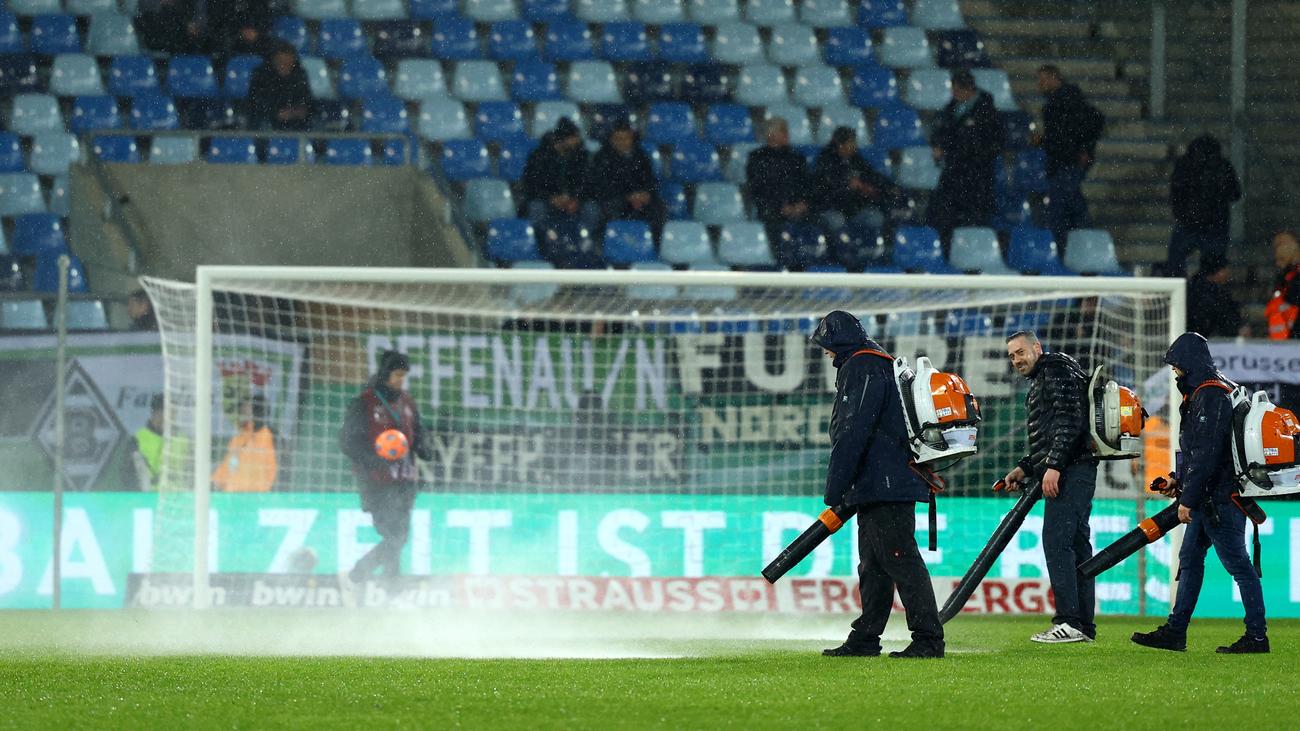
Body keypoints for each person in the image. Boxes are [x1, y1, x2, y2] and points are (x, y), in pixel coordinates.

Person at [811, 311, 944, 659]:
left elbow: (853, 429)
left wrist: (836, 487)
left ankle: (928, 640)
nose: (825, 352)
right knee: (874, 564)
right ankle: (866, 637)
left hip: (884, 482)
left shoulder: (861, 365)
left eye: (826, 344)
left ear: (837, 340)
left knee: (901, 559)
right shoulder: (878, 362)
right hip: (883, 481)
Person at [1132, 333, 1268, 654]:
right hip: (1212, 496)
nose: (1174, 371)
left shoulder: (1209, 394)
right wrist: (1176, 480)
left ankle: (1257, 637)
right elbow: (1200, 453)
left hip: (1219, 498)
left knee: (1237, 564)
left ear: (1189, 362)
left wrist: (1188, 499)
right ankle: (1176, 632)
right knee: (1191, 560)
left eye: (1176, 364)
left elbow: (1206, 455)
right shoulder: (1212, 390)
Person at [1001, 330, 1097, 643]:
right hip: (1075, 467)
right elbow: (1053, 432)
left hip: (1070, 470)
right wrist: (1025, 467)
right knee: (1077, 547)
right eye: (1012, 356)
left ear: (1037, 348)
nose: (1016, 360)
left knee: (1057, 543)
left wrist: (1054, 465)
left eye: (1020, 352)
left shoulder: (1054, 370)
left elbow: (1070, 421)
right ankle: (1082, 626)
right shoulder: (1052, 373)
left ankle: (1068, 621)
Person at [338, 351, 433, 598]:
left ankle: (388, 591)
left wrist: (424, 447)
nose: (401, 380)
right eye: (397, 375)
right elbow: (347, 442)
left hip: (404, 481)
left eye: (404, 376)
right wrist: (375, 459)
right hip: (376, 483)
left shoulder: (407, 402)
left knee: (398, 538)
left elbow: (418, 432)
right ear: (385, 373)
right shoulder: (365, 403)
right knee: (395, 537)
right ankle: (359, 575)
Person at [926, 69, 1004, 248]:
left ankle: (973, 255)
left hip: (977, 177)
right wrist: (938, 145)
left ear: (968, 89)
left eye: (957, 90)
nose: (954, 94)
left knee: (975, 219)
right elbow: (939, 131)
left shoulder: (987, 111)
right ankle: (947, 252)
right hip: (953, 172)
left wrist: (971, 152)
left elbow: (995, 143)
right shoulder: (951, 108)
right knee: (943, 216)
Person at [1036, 64, 1103, 247]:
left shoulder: (1067, 100)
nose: (1040, 84)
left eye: (1043, 79)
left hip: (1066, 162)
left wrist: (1084, 149)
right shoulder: (1062, 100)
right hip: (1063, 162)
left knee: (1063, 209)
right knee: (1070, 206)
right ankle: (1083, 246)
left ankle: (1078, 246)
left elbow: (1080, 128)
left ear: (1053, 77)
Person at [1164, 135, 1241, 278]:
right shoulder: (1222, 166)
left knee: (1175, 265)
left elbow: (1175, 192)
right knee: (1213, 270)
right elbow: (1235, 194)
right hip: (1215, 225)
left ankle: (1182, 288)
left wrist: (1182, 213)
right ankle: (1204, 287)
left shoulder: (1185, 164)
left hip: (1189, 224)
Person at [584, 120, 665, 241]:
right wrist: (627, 197)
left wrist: (645, 194)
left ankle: (651, 245)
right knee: (610, 210)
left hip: (638, 200)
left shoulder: (641, 156)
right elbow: (600, 187)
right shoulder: (601, 158)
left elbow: (649, 181)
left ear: (631, 138)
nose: (622, 142)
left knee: (657, 208)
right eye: (618, 139)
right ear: (611, 139)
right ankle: (616, 244)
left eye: (626, 138)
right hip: (614, 199)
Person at [811, 127, 898, 237]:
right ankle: (833, 247)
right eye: (851, 142)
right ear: (840, 144)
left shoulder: (855, 159)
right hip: (830, 209)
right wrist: (847, 186)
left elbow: (871, 175)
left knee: (876, 218)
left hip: (853, 209)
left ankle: (866, 245)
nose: (855, 146)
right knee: (837, 221)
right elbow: (825, 191)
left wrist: (890, 186)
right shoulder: (825, 160)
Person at [746, 118, 811, 244]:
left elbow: (806, 184)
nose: (787, 134)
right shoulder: (757, 158)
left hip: (797, 209)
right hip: (771, 210)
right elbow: (757, 189)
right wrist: (779, 206)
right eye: (783, 130)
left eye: (786, 130)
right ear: (770, 135)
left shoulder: (797, 157)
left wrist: (802, 203)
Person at [521, 117, 594, 228]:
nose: (577, 141)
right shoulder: (539, 156)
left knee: (591, 209)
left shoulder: (581, 155)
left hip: (573, 200)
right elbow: (531, 185)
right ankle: (540, 237)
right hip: (547, 200)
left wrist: (576, 198)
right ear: (562, 139)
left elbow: (587, 182)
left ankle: (585, 237)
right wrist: (551, 198)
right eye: (573, 138)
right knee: (537, 208)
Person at [211, 393, 277, 493]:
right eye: (240, 411)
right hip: (233, 494)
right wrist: (215, 481)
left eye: (245, 411)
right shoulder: (239, 438)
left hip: (257, 495)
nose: (240, 415)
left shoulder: (271, 437)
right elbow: (229, 465)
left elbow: (274, 472)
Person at [247, 42, 313, 131]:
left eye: (288, 63)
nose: (284, 66)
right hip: (267, 121)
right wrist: (276, 113)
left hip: (295, 122)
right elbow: (255, 102)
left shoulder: (299, 75)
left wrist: (298, 111)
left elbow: (306, 99)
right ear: (274, 61)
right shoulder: (262, 75)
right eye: (281, 62)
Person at [1186, 253, 1243, 338]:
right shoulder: (1211, 294)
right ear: (1217, 272)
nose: (1228, 273)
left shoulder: (1194, 288)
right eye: (1225, 270)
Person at [135, 0, 207, 55]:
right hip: (154, 34)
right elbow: (143, 9)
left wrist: (192, 24)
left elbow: (200, 16)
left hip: (185, 39)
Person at [205, 0, 271, 57]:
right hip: (229, 39)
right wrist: (239, 31)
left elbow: (265, 19)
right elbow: (216, 22)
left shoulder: (258, 3)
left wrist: (256, 31)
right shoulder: (220, 3)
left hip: (256, 39)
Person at [1266, 229, 1300, 340]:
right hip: (1283, 342)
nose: (1278, 249)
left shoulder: (1294, 276)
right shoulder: (1283, 276)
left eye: (1281, 244)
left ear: (1295, 245)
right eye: (1275, 246)